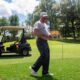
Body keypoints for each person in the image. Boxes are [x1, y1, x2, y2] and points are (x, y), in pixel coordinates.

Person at [29, 12, 53, 76]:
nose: (45, 18)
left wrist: (49, 35)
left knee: (47, 56)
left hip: (45, 41)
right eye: (44, 17)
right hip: (40, 41)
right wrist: (45, 35)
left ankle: (45, 72)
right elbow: (35, 32)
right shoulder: (38, 23)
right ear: (41, 17)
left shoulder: (45, 24)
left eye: (46, 17)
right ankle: (33, 68)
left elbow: (47, 32)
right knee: (44, 55)